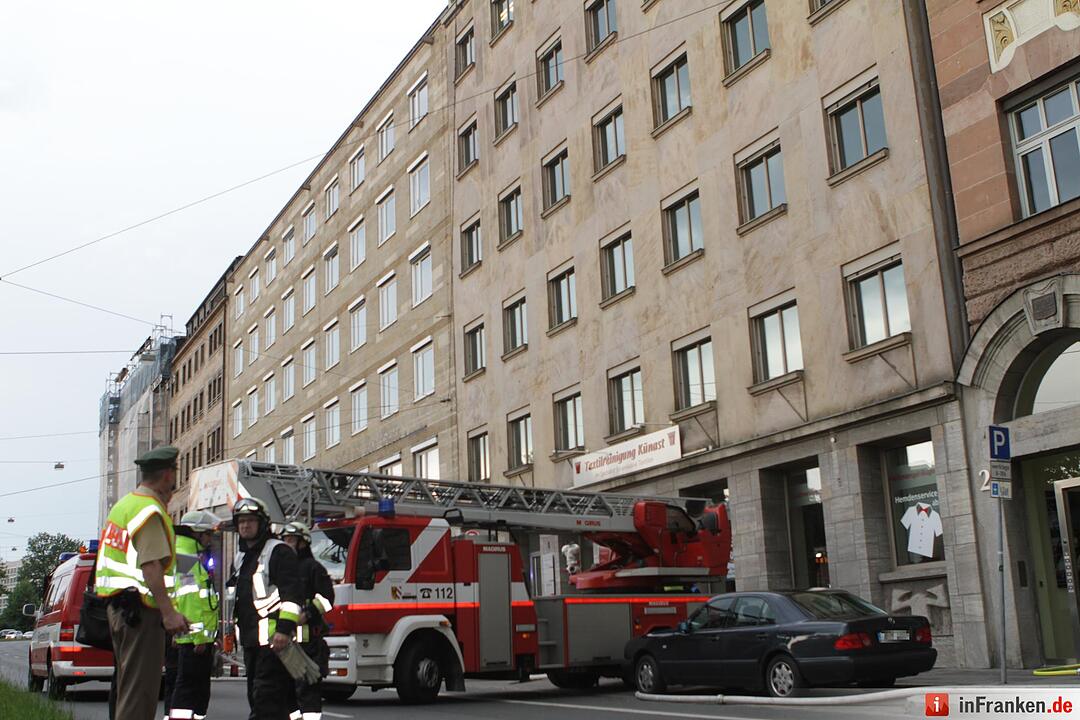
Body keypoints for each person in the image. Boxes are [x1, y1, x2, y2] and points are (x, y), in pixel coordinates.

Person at [95, 445, 190, 720]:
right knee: (140, 696)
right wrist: (169, 613)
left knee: (128, 691)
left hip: (121, 609)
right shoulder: (148, 511)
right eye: (174, 472)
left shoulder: (125, 505)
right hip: (142, 614)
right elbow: (151, 567)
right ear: (167, 476)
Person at [230, 497, 303, 720]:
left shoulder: (279, 551)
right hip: (251, 642)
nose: (245, 525)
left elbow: (292, 595)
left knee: (265, 701)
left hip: (273, 642)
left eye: (250, 520)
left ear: (262, 523)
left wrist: (284, 629)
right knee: (262, 698)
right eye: (241, 521)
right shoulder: (241, 557)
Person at [168, 510, 222, 720]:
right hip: (195, 640)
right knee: (189, 687)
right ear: (196, 534)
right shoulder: (186, 559)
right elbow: (189, 600)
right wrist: (199, 637)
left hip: (194, 637)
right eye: (207, 534)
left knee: (196, 687)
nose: (209, 539)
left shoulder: (189, 556)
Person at [280, 521, 334, 720]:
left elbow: (328, 599)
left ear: (303, 542)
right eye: (285, 540)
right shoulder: (282, 569)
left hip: (309, 640)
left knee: (308, 690)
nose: (287, 544)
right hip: (285, 640)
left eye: (291, 540)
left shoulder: (313, 568)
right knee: (287, 692)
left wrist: (309, 613)